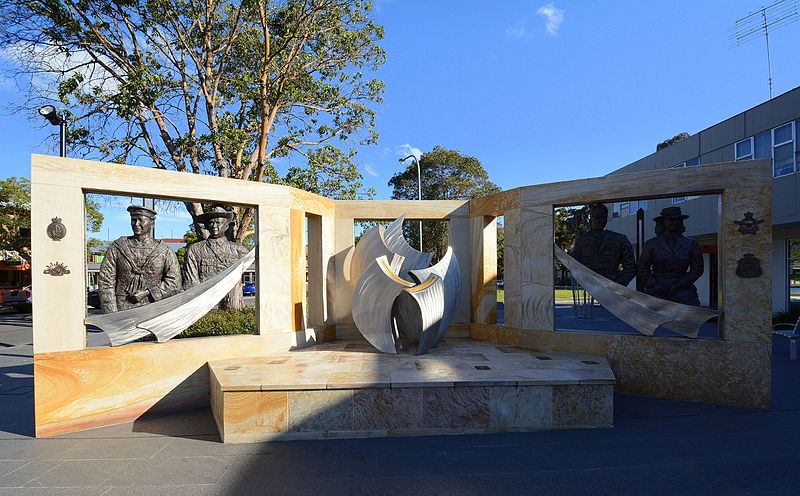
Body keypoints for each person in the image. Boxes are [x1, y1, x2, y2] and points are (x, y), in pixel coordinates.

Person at [98, 205, 181, 313]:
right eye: (133, 220)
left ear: (152, 224)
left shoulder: (165, 251)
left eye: (140, 220)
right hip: (122, 309)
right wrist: (112, 313)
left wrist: (147, 292)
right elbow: (105, 281)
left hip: (154, 309)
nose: (136, 224)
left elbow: (175, 283)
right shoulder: (117, 248)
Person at [183, 205, 249, 309]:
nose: (214, 226)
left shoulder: (240, 251)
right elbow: (191, 283)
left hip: (232, 307)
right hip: (203, 307)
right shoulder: (195, 250)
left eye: (218, 222)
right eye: (211, 222)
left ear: (226, 225)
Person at [638, 206, 704, 306]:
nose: (675, 222)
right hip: (657, 287)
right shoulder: (651, 244)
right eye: (670, 219)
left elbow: (697, 269)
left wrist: (680, 284)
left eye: (678, 219)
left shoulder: (691, 244)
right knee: (649, 314)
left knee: (692, 313)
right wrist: (653, 284)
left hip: (682, 287)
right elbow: (642, 267)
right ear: (663, 221)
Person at [571, 203, 636, 286]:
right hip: (588, 287)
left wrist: (617, 285)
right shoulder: (581, 241)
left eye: (604, 217)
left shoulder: (620, 239)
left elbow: (631, 269)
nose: (601, 221)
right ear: (591, 218)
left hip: (612, 287)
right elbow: (574, 265)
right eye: (597, 217)